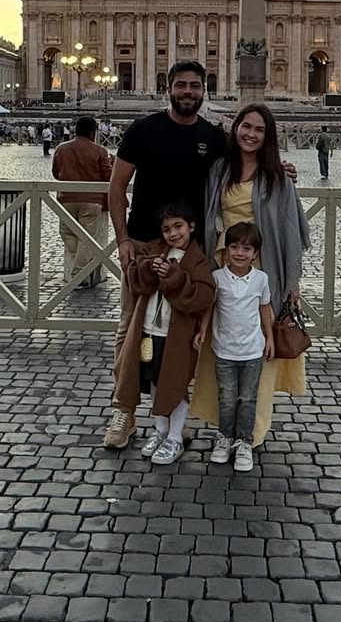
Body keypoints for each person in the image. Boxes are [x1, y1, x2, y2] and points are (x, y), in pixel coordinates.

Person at [190, 103, 310, 450]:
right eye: (246, 126)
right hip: (223, 267)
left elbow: (288, 231)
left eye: (259, 130)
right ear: (236, 128)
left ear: (267, 136)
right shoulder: (219, 170)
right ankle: (225, 424)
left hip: (262, 267)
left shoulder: (277, 177)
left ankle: (252, 431)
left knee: (260, 350)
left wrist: (291, 283)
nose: (251, 134)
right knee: (221, 346)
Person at [108, 61, 228, 375]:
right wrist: (122, 240)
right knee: (131, 324)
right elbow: (117, 186)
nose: (188, 92)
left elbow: (243, 173)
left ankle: (173, 405)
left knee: (184, 325)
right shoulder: (143, 129)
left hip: (192, 250)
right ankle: (125, 407)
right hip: (143, 242)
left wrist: (279, 172)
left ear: (204, 90)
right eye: (181, 85)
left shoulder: (214, 138)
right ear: (168, 88)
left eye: (194, 86)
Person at [104, 203, 214, 463]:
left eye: (178, 227)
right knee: (155, 382)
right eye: (167, 229)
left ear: (191, 227)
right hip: (149, 332)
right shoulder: (156, 249)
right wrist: (147, 270)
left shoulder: (197, 258)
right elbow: (135, 280)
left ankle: (175, 436)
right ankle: (160, 430)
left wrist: (175, 278)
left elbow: (204, 295)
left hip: (176, 336)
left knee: (174, 384)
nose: (173, 233)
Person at [194, 222, 274, 473]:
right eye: (235, 247)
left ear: (255, 254)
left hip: (252, 351)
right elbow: (210, 306)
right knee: (227, 399)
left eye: (246, 249)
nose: (240, 253)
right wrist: (203, 330)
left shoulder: (261, 279)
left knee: (248, 399)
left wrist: (269, 338)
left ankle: (244, 442)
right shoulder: (217, 278)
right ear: (226, 250)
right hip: (224, 350)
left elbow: (264, 309)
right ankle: (224, 437)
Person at [52, 116, 114, 288]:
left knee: (66, 233)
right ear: (93, 133)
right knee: (86, 238)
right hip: (91, 201)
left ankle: (80, 270)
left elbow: (56, 173)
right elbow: (108, 176)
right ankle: (79, 275)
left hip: (67, 198)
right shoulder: (100, 151)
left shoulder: (61, 148)